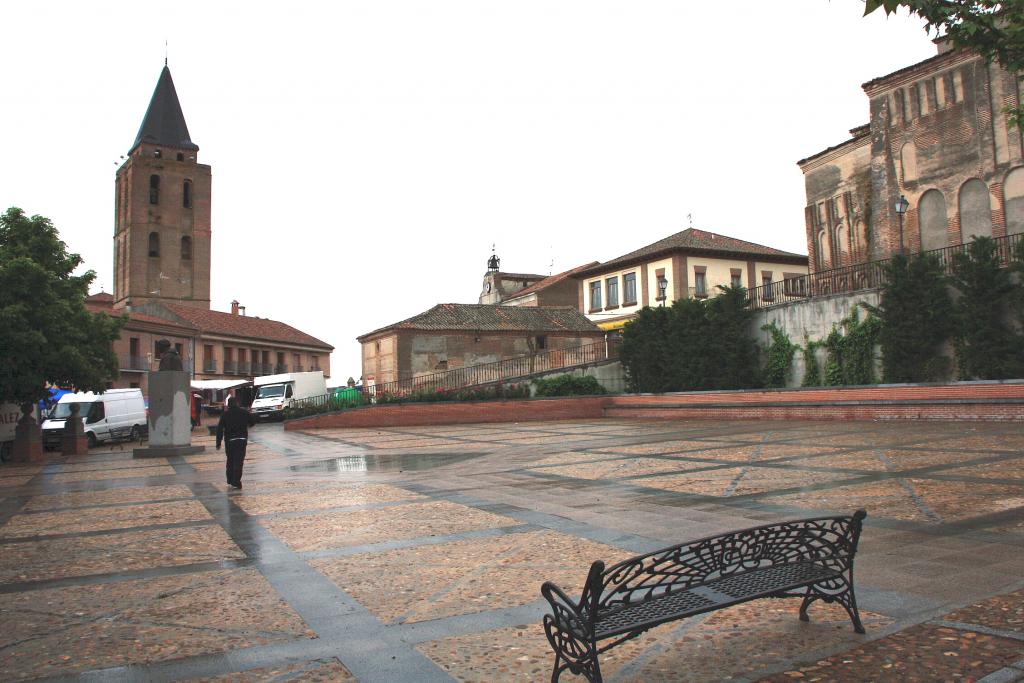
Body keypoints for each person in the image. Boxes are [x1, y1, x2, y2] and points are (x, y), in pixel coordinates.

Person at [215, 397, 255, 489]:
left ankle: (230, 479)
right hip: (241, 439)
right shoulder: (244, 412)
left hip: (230, 441)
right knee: (239, 461)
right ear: (237, 403)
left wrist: (218, 443)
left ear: (228, 405)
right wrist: (246, 425)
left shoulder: (225, 414)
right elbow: (253, 421)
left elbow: (220, 429)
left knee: (230, 460)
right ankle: (236, 481)